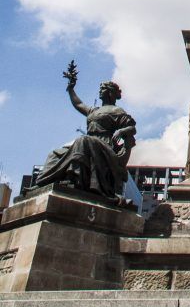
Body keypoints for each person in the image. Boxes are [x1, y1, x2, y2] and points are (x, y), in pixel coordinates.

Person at [35, 62, 136, 202]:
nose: (100, 91)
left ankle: (76, 180)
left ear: (111, 93)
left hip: (104, 146)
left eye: (104, 89)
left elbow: (132, 128)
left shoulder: (117, 111)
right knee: (55, 154)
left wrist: (121, 132)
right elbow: (78, 104)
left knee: (83, 140)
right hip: (88, 145)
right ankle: (43, 183)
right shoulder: (93, 111)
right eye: (100, 89)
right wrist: (71, 88)